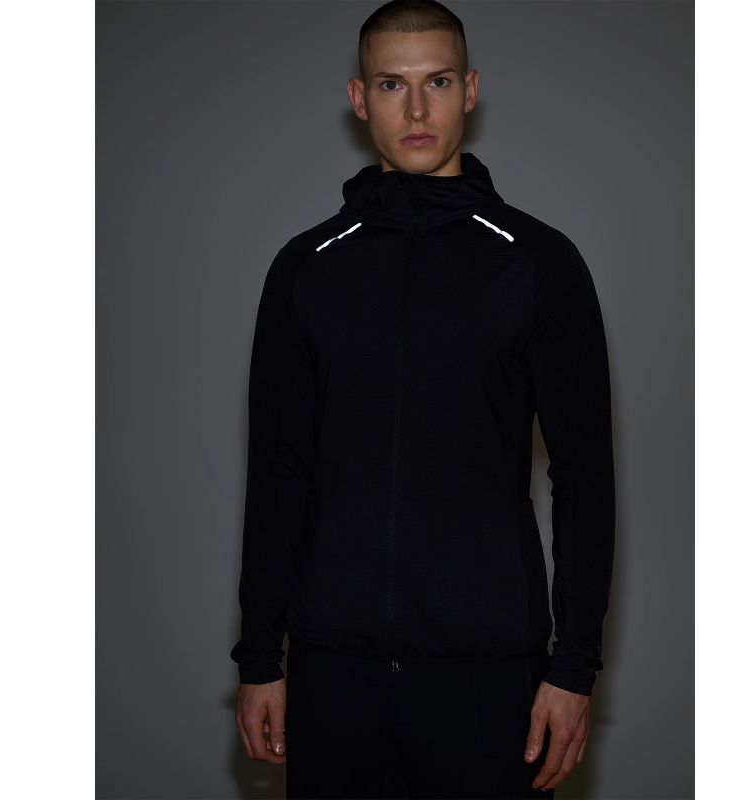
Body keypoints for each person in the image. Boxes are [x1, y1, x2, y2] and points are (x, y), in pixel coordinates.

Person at [230, 1, 616, 797]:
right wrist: (261, 657)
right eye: (391, 84)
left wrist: (573, 668)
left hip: (488, 676)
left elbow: (584, 475)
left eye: (436, 82)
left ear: (469, 90)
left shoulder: (539, 264)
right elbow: (278, 474)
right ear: (358, 97)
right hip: (333, 671)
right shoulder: (306, 268)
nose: (415, 110)